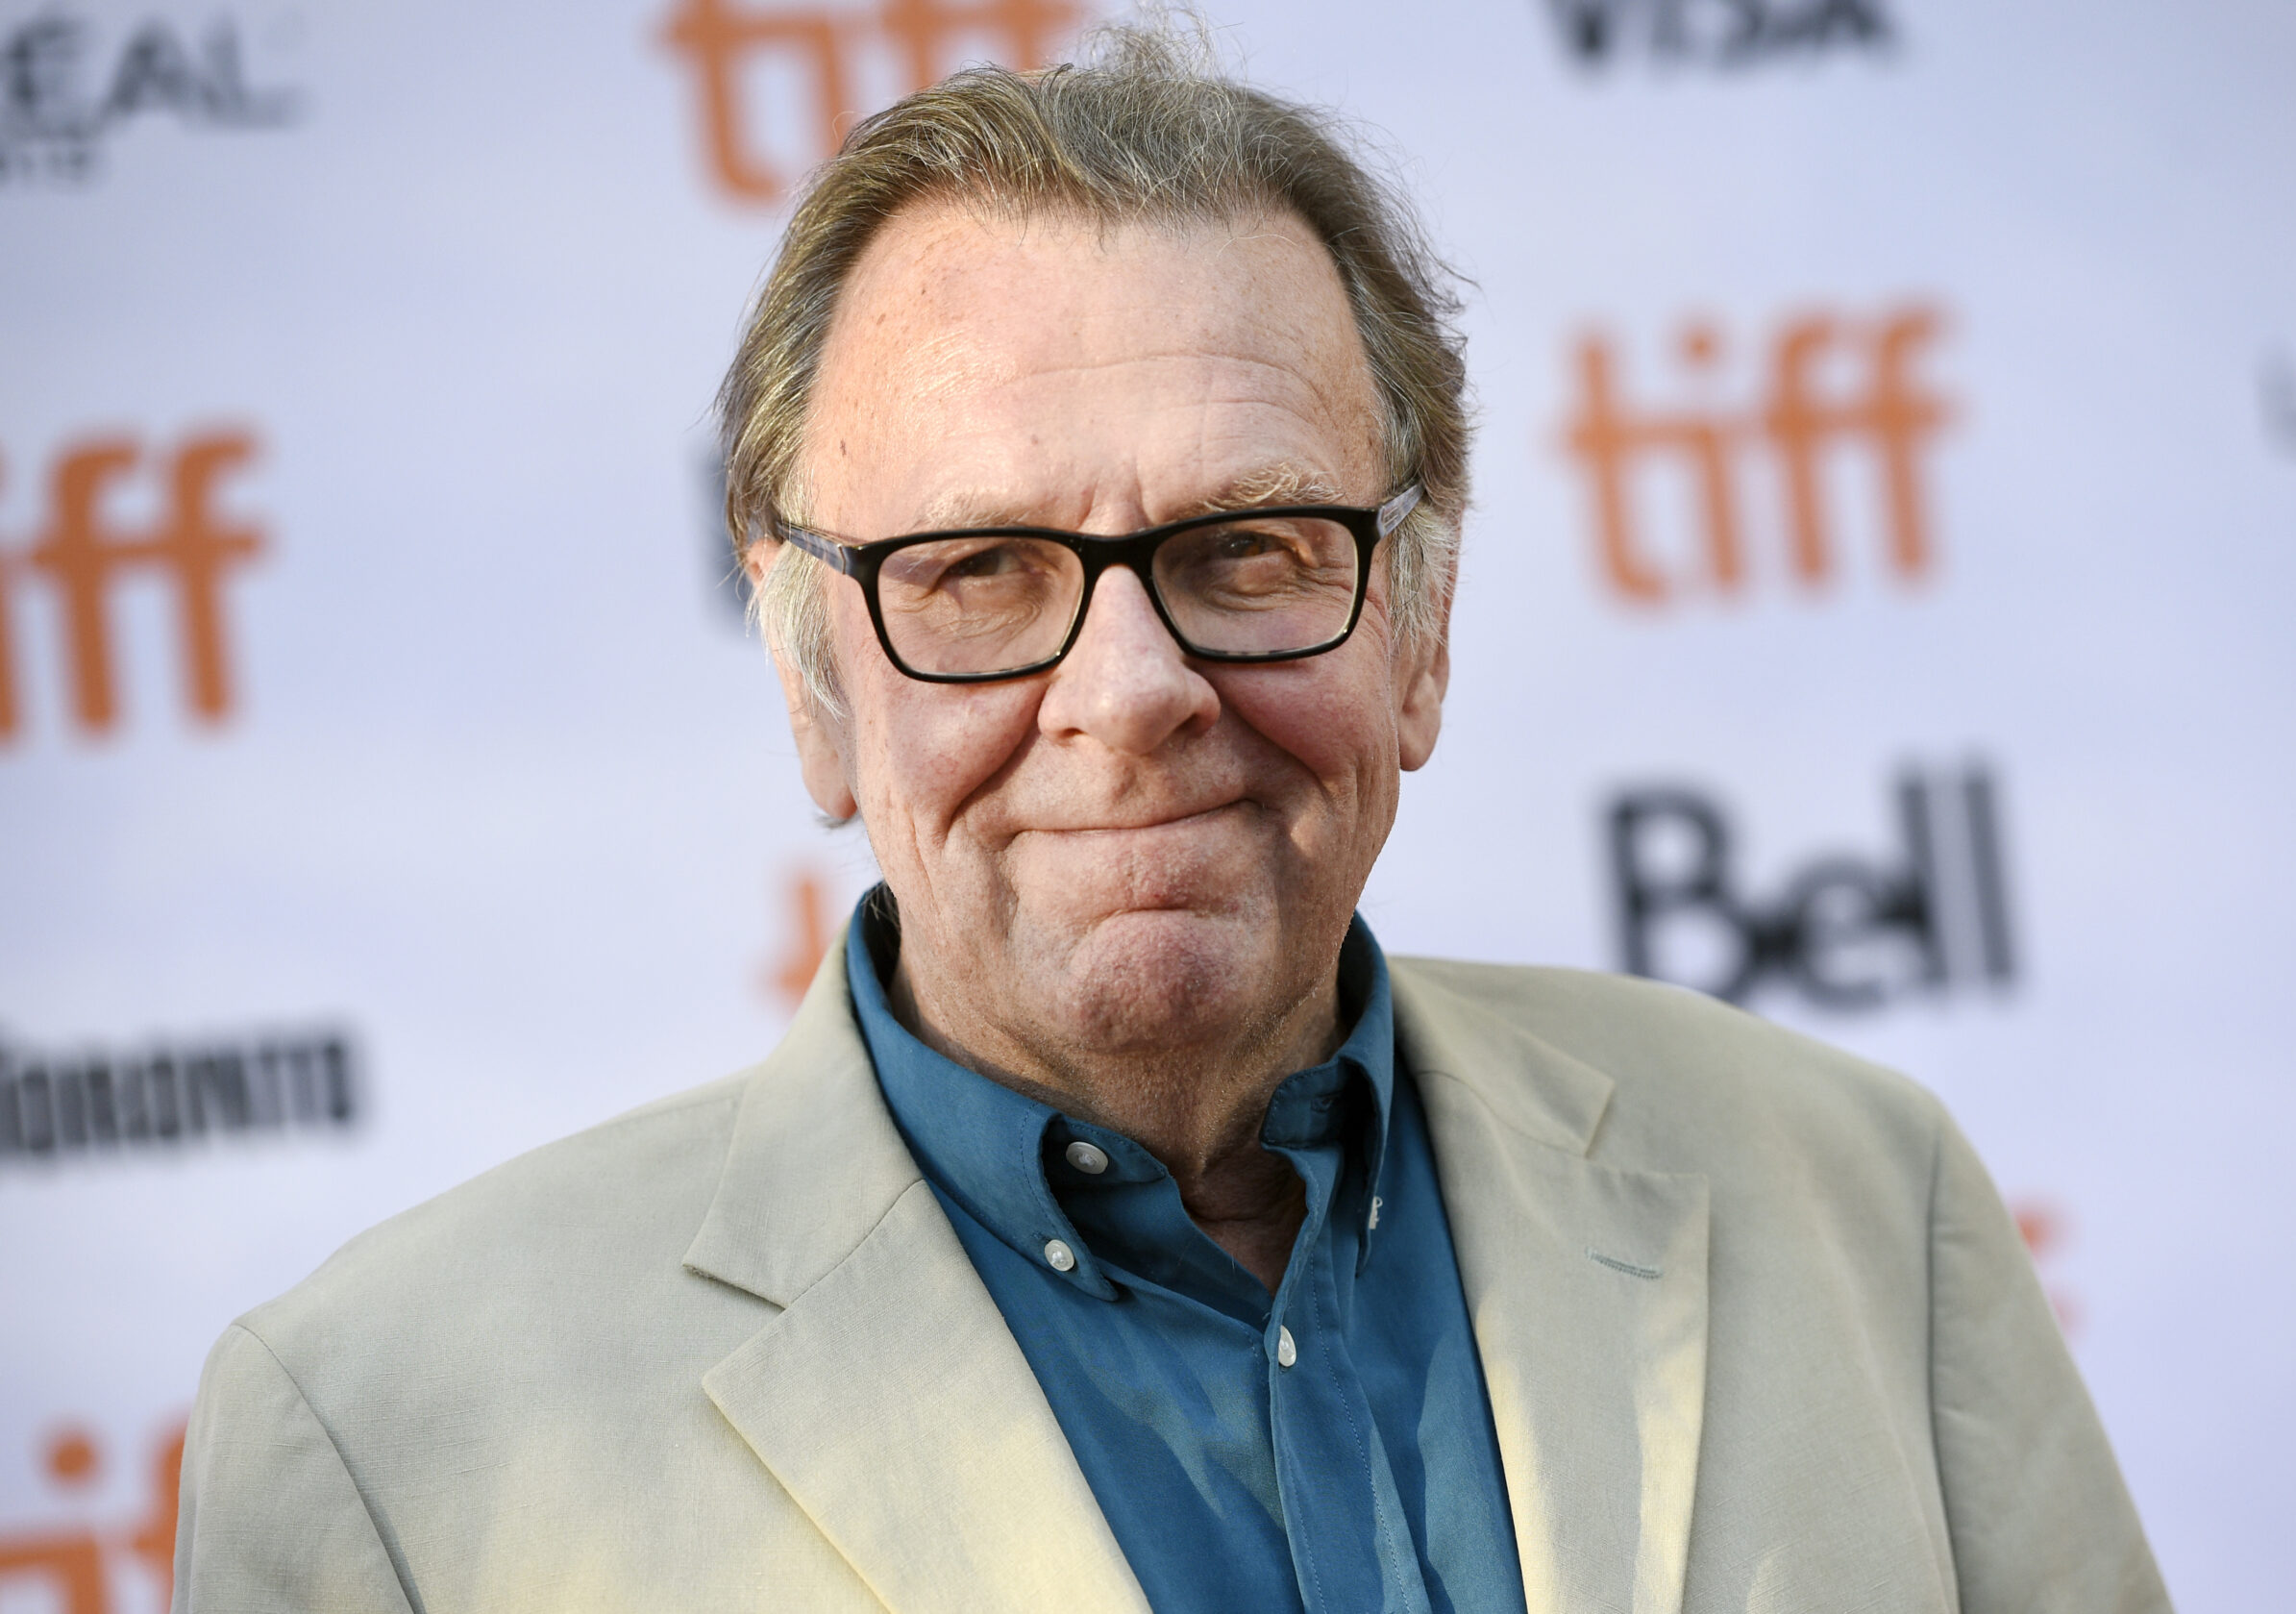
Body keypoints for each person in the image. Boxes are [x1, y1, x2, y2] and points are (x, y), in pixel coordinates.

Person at [170, 24, 2168, 1614]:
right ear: (809, 683)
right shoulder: (387, 1450)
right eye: (976, 576)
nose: (1130, 695)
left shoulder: (1851, 1199)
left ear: (1419, 628)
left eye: (1246, 549)